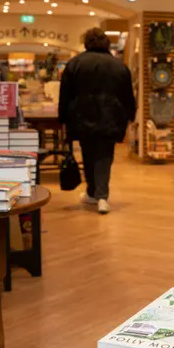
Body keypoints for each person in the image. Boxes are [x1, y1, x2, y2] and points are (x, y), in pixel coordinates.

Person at [58, 28, 136, 214]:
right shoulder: (119, 66)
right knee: (104, 155)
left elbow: (65, 94)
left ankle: (93, 193)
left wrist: (63, 118)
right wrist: (130, 116)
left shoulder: (75, 63)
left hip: (82, 116)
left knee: (88, 153)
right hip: (111, 116)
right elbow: (127, 94)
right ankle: (101, 196)